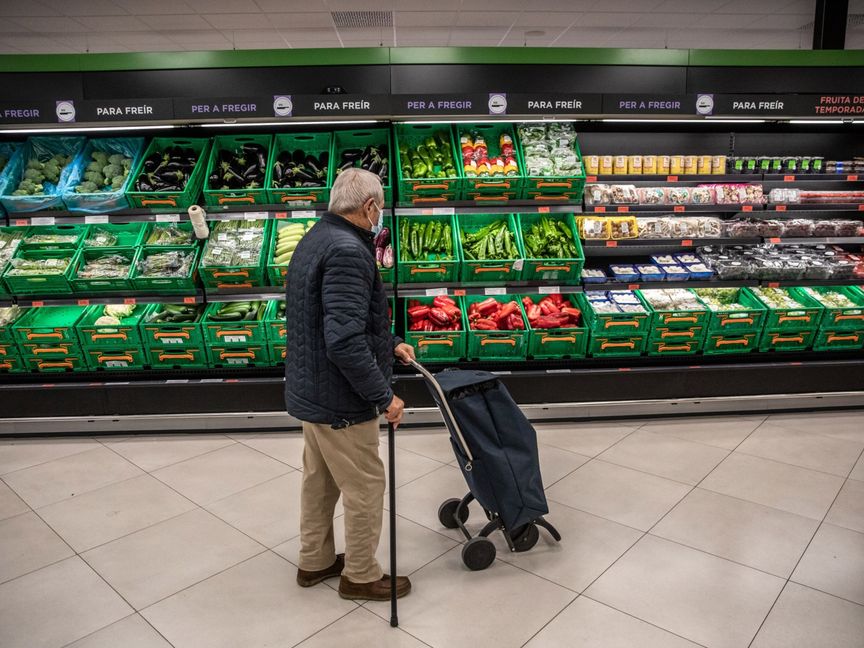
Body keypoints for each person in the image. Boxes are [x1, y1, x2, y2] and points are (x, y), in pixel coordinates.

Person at [284, 167, 415, 601]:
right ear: (369, 206)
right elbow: (343, 340)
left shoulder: (316, 237)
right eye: (379, 206)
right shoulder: (348, 250)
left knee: (319, 482)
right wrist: (383, 395)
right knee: (364, 487)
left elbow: (333, 318)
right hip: (342, 398)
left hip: (313, 391)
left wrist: (390, 342)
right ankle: (360, 575)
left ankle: (314, 561)